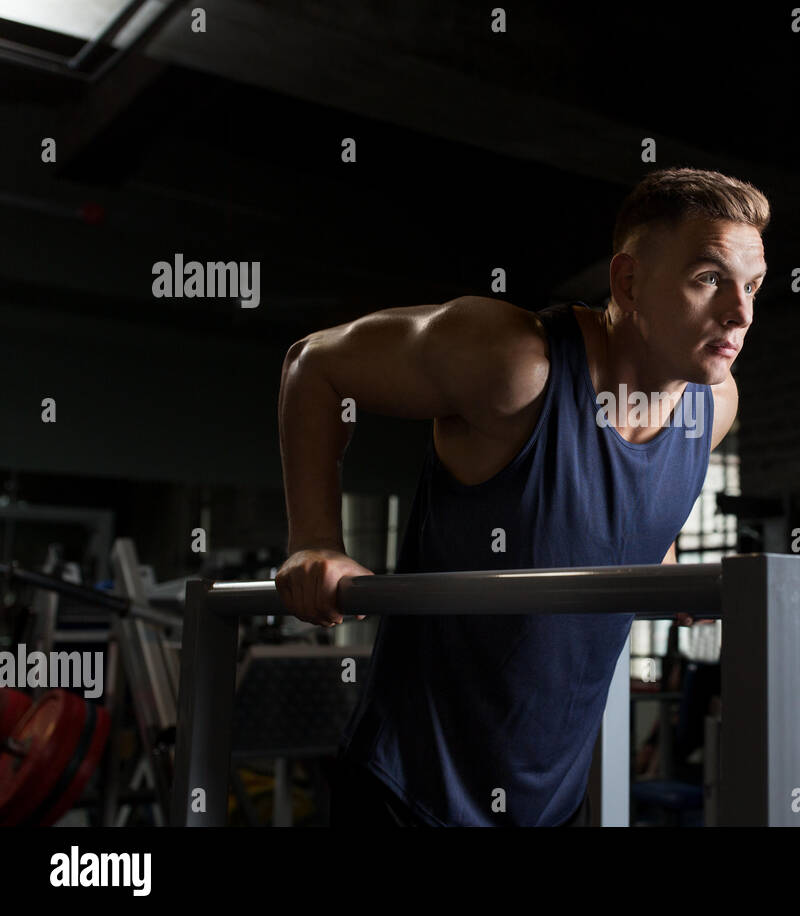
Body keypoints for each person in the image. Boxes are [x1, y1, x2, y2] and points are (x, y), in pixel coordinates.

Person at [274, 167, 769, 826]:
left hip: (551, 799)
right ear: (628, 281)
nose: (741, 312)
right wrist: (314, 540)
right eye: (709, 279)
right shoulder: (513, 362)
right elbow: (314, 365)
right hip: (410, 790)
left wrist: (666, 570)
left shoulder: (712, 407)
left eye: (753, 285)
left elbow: (633, 504)